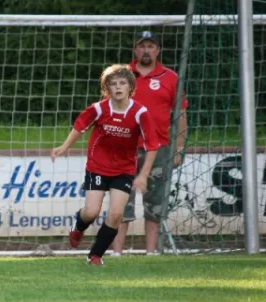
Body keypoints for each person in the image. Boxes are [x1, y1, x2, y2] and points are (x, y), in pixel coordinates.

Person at [51, 64, 160, 266]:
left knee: (117, 214)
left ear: (130, 87)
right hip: (97, 166)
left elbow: (153, 145)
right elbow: (80, 127)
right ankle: (78, 226)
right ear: (106, 89)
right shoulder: (99, 109)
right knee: (91, 212)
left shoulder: (139, 113)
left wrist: (143, 175)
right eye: (113, 84)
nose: (118, 87)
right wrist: (64, 146)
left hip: (124, 169)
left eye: (122, 83)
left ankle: (95, 255)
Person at [111, 31, 189, 256]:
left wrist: (179, 147)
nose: (146, 50)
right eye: (142, 46)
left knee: (155, 202)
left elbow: (181, 114)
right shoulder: (121, 75)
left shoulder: (170, 77)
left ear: (158, 50)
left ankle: (151, 252)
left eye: (151, 46)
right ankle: (116, 253)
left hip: (159, 149)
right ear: (135, 50)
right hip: (123, 148)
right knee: (120, 201)